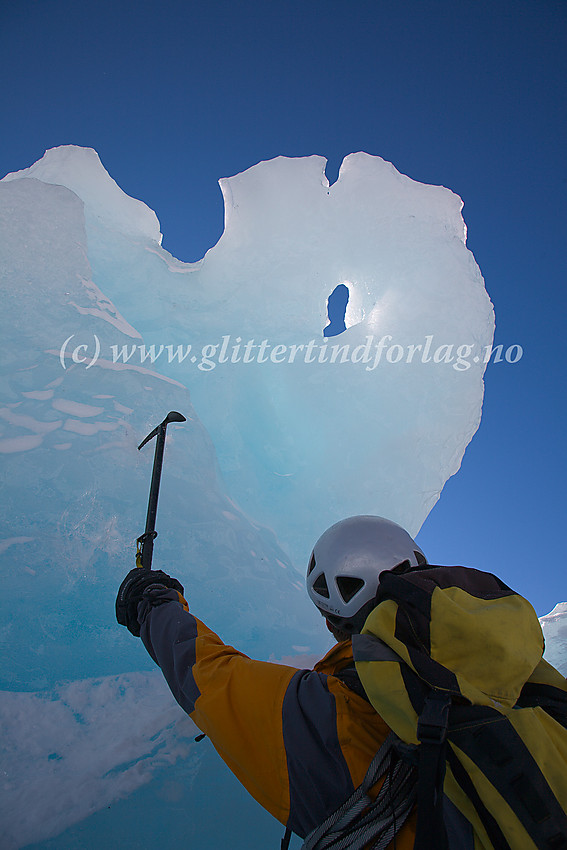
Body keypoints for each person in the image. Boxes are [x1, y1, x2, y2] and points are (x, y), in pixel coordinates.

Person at [116, 515, 428, 848]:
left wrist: (153, 604)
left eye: (331, 618)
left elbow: (212, 680)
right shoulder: (464, 675)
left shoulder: (344, 717)